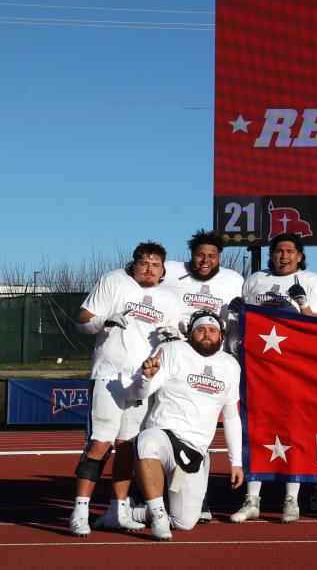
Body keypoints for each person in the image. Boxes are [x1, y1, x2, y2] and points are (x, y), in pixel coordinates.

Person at [69, 242, 182, 537]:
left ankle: (116, 510)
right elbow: (81, 319)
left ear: (163, 270)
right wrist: (101, 321)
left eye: (156, 265)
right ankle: (80, 510)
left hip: (143, 380)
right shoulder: (114, 280)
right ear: (133, 265)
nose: (149, 268)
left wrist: (174, 338)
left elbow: (175, 339)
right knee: (99, 444)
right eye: (144, 263)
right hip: (110, 375)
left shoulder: (169, 298)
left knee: (128, 448)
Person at [230, 233, 317, 524]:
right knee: (256, 429)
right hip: (259, 366)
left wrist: (304, 308)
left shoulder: (314, 280)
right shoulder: (255, 279)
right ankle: (252, 498)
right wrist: (236, 342)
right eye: (278, 251)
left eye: (289, 251)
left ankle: (291, 498)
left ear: (300, 256)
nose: (283, 256)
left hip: (296, 367)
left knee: (293, 430)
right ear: (271, 255)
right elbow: (239, 320)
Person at [127, 311, 245, 540]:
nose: (207, 334)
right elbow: (137, 394)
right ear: (190, 334)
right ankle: (159, 516)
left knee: (184, 522)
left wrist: (236, 462)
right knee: (146, 442)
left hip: (195, 450)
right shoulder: (173, 351)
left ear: (221, 336)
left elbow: (231, 416)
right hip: (164, 434)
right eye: (200, 330)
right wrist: (146, 377)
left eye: (212, 330)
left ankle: (133, 512)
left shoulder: (231, 365)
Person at [160, 229, 244, 523]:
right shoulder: (170, 271)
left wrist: (234, 346)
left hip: (213, 360)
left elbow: (237, 323)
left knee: (200, 430)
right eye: (200, 255)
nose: (205, 260)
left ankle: (198, 494)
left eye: (212, 256)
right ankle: (148, 496)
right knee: (156, 429)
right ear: (190, 257)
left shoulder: (234, 280)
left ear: (220, 258)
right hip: (174, 358)